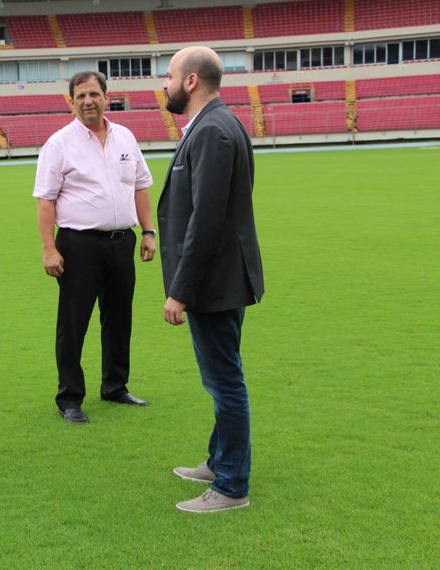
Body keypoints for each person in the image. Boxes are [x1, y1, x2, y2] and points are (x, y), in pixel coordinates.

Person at [157, 47, 264, 512]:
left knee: (225, 382)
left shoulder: (213, 132)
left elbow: (207, 220)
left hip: (214, 283)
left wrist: (180, 289)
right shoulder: (214, 126)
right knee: (224, 377)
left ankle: (231, 487)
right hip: (219, 278)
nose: (163, 84)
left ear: (191, 81)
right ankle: (220, 461)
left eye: (168, 75)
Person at [34, 71, 157, 424]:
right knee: (73, 323)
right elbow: (46, 201)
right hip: (78, 245)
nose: (88, 101)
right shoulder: (59, 144)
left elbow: (140, 187)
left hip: (122, 242)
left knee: (119, 319)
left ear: (106, 96)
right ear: (70, 101)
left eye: (94, 94)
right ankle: (70, 397)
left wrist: (148, 232)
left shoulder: (126, 138)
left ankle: (115, 386)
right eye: (80, 96)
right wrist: (48, 248)